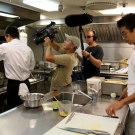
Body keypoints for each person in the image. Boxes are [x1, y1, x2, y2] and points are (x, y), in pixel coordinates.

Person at [105, 13, 135, 135]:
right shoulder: (134, 50)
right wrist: (128, 88)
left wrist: (122, 102)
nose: (123, 37)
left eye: (124, 33)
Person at [0, 26, 35, 110]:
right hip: (26, 84)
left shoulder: (5, 46)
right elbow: (31, 66)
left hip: (13, 86)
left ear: (8, 36)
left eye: (5, 37)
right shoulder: (28, 48)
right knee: (26, 109)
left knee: (13, 111)